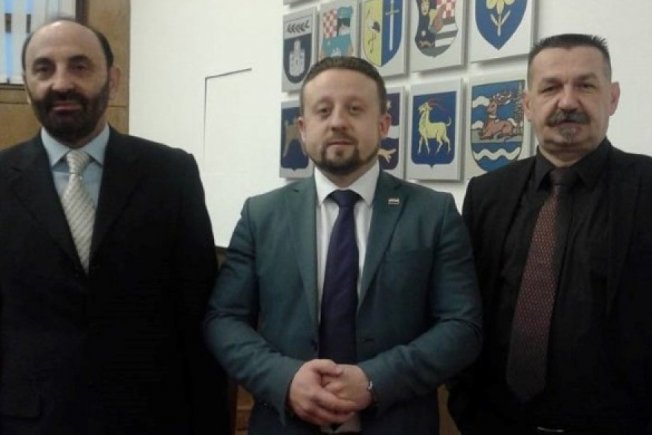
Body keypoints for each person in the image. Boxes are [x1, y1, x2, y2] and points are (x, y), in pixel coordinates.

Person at [204, 56, 482, 435]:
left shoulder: (433, 213)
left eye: (354, 109)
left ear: (383, 124)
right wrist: (286, 379)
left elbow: (462, 326)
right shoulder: (261, 215)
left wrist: (373, 381)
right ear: (303, 129)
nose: (337, 121)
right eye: (323, 110)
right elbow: (224, 319)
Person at [0, 19, 230, 434]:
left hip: (150, 418)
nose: (61, 83)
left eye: (79, 66)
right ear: (28, 84)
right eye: (44, 69)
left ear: (114, 80)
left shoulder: (171, 173)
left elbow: (197, 312)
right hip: (28, 420)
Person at [448, 33, 652, 434]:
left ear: (612, 98)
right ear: (527, 105)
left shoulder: (647, 187)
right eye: (551, 87)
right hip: (495, 424)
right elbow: (463, 305)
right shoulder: (487, 194)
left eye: (585, 85)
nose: (568, 101)